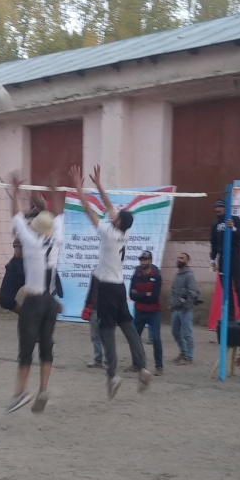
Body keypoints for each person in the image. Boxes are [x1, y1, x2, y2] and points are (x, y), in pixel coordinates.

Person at [70, 164, 150, 398]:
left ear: (118, 223)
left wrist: (78, 188)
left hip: (106, 287)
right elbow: (110, 209)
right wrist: (98, 184)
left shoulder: (108, 233)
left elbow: (89, 211)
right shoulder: (126, 232)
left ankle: (112, 374)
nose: (113, 217)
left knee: (106, 330)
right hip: (119, 286)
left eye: (116, 218)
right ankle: (143, 368)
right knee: (127, 325)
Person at [5, 175, 64, 413]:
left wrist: (16, 190)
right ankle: (43, 389)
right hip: (50, 302)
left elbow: (15, 216)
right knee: (46, 347)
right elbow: (58, 215)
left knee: (26, 350)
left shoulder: (30, 242)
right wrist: (54, 191)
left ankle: (19, 393)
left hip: (33, 302)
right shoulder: (56, 239)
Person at [210, 199, 240, 322]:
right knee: (226, 288)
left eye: (220, 206)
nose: (217, 209)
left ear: (226, 208)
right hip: (222, 258)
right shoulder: (215, 224)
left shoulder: (235, 219)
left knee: (239, 287)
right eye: (216, 207)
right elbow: (213, 243)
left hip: (235, 257)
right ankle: (230, 316)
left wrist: (233, 228)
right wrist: (212, 259)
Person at [129, 250, 163, 375]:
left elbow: (154, 297)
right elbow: (132, 295)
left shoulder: (156, 276)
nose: (143, 262)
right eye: (141, 260)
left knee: (156, 339)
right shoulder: (136, 276)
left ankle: (159, 366)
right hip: (140, 312)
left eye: (145, 260)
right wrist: (145, 294)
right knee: (134, 339)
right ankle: (136, 364)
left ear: (150, 261)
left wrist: (139, 295)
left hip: (154, 312)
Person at [170, 252, 200, 365]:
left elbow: (192, 293)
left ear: (187, 261)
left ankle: (189, 357)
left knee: (187, 334)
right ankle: (183, 352)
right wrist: (171, 303)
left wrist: (186, 306)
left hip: (185, 310)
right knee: (175, 332)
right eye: (178, 257)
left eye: (182, 258)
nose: (179, 259)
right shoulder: (176, 275)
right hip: (175, 309)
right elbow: (173, 291)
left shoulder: (189, 275)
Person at [82, 275, 105, 368]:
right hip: (94, 308)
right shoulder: (95, 274)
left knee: (106, 336)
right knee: (95, 336)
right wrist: (86, 306)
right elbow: (91, 290)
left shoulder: (112, 274)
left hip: (107, 310)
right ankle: (98, 359)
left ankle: (108, 360)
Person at [0, 239, 25, 314]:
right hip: (19, 262)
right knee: (5, 300)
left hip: (40, 261)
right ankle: (25, 316)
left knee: (41, 296)